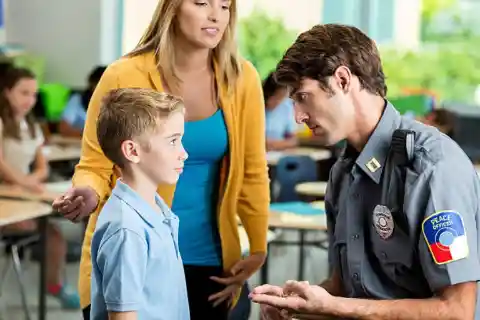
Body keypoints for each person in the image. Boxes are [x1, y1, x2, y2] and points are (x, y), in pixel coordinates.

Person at [51, 0, 270, 319]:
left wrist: (259, 246)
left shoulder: (242, 78)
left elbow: (252, 170)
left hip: (212, 261)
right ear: (172, 8)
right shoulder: (123, 74)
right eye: (201, 3)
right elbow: (95, 164)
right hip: (133, 254)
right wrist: (88, 192)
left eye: (225, 6)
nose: (216, 15)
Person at [250, 24, 480, 319]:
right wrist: (299, 306)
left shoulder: (432, 166)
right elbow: (344, 290)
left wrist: (333, 306)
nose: (298, 117)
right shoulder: (343, 173)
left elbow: (456, 311)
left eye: (303, 97)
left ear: (343, 80)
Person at [90, 88, 189, 319]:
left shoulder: (155, 207)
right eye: (172, 141)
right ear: (132, 151)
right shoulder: (127, 229)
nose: (183, 153)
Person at [0, 67, 80, 309]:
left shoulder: (31, 125)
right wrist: (25, 182)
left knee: (55, 236)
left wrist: (33, 179)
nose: (30, 100)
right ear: (6, 92)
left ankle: (54, 286)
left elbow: (42, 167)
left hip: (22, 192)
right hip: (6, 196)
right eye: (23, 93)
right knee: (35, 226)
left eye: (34, 94)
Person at [58, 66, 107, 138]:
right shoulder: (77, 100)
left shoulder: (118, 103)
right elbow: (64, 129)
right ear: (92, 84)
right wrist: (90, 136)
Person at [263, 72, 298, 151]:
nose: (277, 102)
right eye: (275, 96)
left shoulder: (286, 106)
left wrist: (275, 144)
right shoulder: (256, 107)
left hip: (277, 154)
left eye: (281, 97)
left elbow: (293, 141)